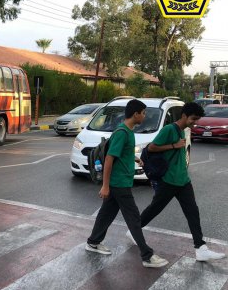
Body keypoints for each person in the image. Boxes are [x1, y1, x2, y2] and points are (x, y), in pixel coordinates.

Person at [131, 102, 225, 261]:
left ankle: (200, 248)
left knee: (192, 212)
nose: (194, 122)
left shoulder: (183, 130)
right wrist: (174, 145)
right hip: (168, 180)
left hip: (183, 180)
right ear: (184, 115)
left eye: (196, 120)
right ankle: (134, 230)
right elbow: (152, 147)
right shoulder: (169, 129)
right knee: (155, 208)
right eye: (193, 119)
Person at [86, 99, 169, 268]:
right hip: (119, 184)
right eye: (143, 113)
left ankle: (93, 242)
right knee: (133, 219)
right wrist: (105, 185)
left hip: (121, 182)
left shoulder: (129, 132)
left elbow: (123, 152)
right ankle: (147, 255)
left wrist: (135, 158)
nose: (144, 116)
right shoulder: (122, 132)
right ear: (135, 114)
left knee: (106, 214)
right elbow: (109, 158)